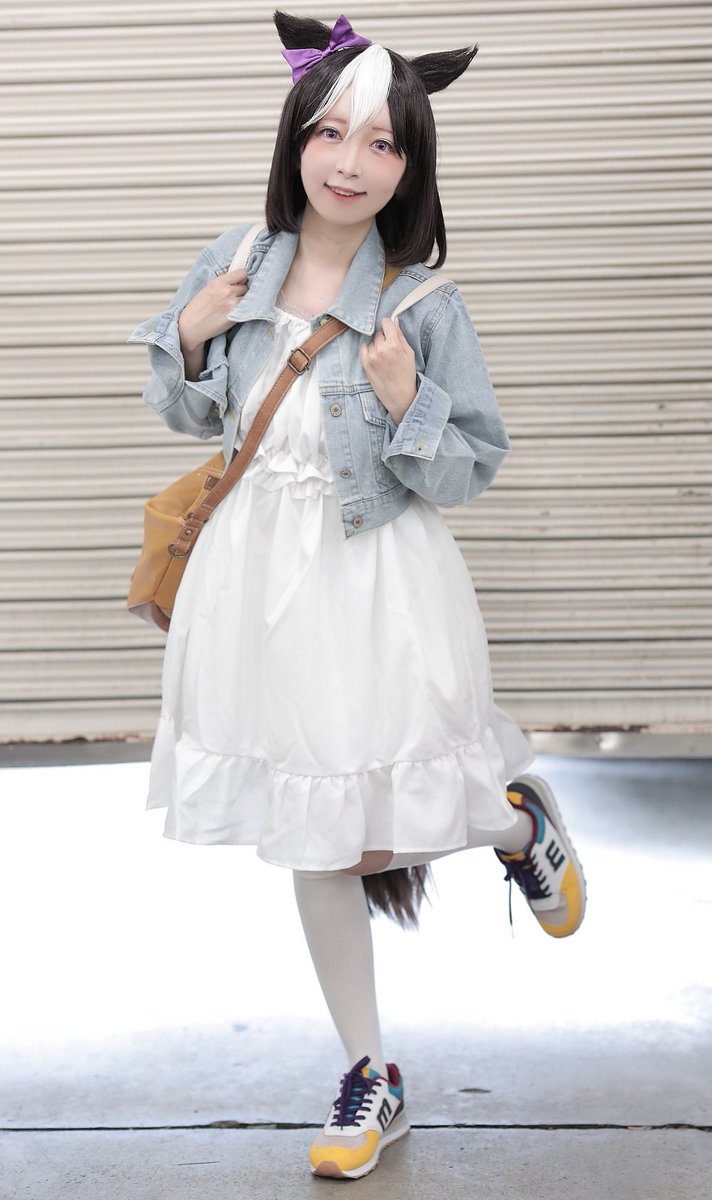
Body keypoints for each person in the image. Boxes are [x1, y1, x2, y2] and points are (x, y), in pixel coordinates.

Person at [126, 10, 587, 1181]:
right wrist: (191, 336)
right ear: (294, 140)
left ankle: (519, 827)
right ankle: (370, 1073)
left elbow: (469, 466)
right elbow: (189, 411)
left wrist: (402, 401)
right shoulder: (237, 258)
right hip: (255, 580)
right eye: (329, 132)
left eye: (381, 143)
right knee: (316, 831)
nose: (349, 162)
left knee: (410, 806)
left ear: (409, 166)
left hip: (376, 575)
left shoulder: (423, 303)